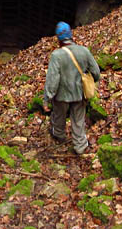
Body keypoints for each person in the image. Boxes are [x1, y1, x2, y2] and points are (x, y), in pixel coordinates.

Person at [42, 21, 101, 155]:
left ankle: (59, 135)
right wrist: (92, 82)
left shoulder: (57, 55)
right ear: (71, 35)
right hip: (79, 93)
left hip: (61, 95)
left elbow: (53, 79)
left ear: (59, 38)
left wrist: (47, 98)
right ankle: (80, 146)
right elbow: (96, 71)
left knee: (59, 116)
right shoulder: (84, 51)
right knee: (78, 119)